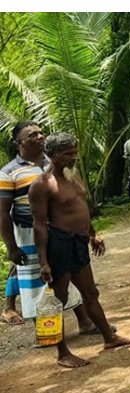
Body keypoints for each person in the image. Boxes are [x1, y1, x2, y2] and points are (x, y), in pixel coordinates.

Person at [29, 132, 130, 368]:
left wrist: (92, 233)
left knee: (90, 294)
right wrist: (43, 261)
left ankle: (109, 338)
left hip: (78, 242)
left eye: (74, 152)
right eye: (67, 154)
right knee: (60, 299)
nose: (72, 157)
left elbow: (82, 209)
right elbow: (39, 225)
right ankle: (62, 353)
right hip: (59, 244)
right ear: (51, 155)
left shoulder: (73, 177)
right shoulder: (42, 185)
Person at [0, 121, 101, 335]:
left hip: (61, 232)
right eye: (32, 134)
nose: (39, 136)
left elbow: (77, 200)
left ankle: (84, 321)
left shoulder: (57, 161)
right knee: (38, 283)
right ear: (19, 141)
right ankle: (47, 333)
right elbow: (3, 212)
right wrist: (12, 246)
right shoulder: (9, 172)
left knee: (68, 277)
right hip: (29, 233)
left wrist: (91, 232)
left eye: (40, 132)